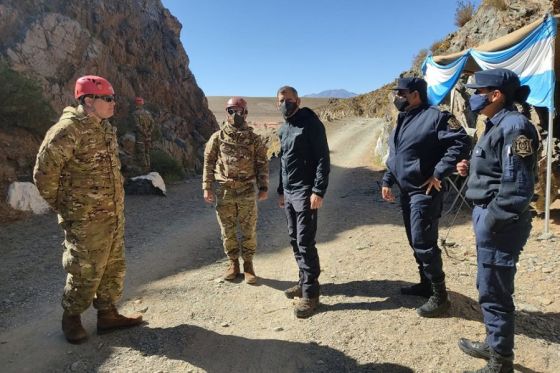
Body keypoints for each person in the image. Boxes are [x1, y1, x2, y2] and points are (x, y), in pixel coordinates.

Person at [33, 75, 143, 344]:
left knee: (113, 266)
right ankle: (71, 317)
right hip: (84, 218)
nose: (113, 103)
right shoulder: (68, 129)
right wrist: (66, 206)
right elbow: (43, 173)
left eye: (113, 98)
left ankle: (107, 315)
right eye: (108, 98)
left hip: (112, 214)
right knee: (85, 268)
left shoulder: (104, 128)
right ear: (89, 100)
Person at [456, 68, 537, 373]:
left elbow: (518, 187)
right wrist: (470, 170)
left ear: (496, 95)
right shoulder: (494, 124)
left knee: (495, 291)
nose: (474, 97)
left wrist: (490, 221)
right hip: (489, 214)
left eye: (478, 92)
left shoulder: (515, 127)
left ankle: (501, 360)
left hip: (500, 220)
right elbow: (496, 170)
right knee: (487, 284)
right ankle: (493, 343)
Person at [381, 77, 471, 318]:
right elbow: (397, 155)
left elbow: (461, 141)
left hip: (426, 191)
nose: (396, 97)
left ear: (415, 94)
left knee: (424, 241)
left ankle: (440, 296)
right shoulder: (403, 119)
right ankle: (425, 284)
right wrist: (388, 180)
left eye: (401, 93)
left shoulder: (436, 116)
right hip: (406, 191)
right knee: (414, 240)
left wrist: (439, 172)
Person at [276, 86, 330, 318]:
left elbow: (322, 159)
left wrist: (318, 190)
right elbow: (283, 162)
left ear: (297, 100)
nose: (285, 103)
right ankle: (304, 280)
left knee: (305, 241)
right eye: (281, 100)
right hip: (289, 192)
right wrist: (281, 190)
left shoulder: (311, 124)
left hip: (306, 191)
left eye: (288, 100)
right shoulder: (284, 128)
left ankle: (310, 294)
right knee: (294, 239)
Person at [203, 97, 269, 284]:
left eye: (239, 111)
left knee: (249, 229)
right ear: (226, 113)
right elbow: (208, 163)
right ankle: (233, 264)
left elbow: (262, 164)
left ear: (246, 113)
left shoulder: (254, 139)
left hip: (247, 189)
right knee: (228, 230)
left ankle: (248, 265)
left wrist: (263, 187)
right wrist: (207, 187)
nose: (235, 114)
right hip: (225, 190)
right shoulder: (218, 137)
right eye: (231, 111)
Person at [132, 96, 155, 174]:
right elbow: (152, 124)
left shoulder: (135, 114)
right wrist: (149, 133)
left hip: (140, 136)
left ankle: (144, 171)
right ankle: (149, 169)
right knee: (147, 152)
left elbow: (137, 126)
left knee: (141, 153)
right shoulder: (148, 113)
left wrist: (144, 133)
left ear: (136, 104)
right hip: (148, 136)